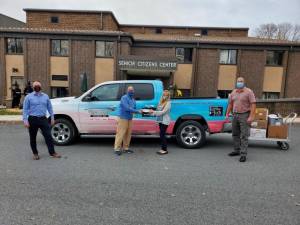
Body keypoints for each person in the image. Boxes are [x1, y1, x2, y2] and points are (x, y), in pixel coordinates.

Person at [23, 81, 61, 160]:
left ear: (41, 87)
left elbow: (50, 108)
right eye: (35, 86)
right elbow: (25, 110)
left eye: (38, 85)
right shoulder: (28, 97)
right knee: (32, 138)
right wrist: (25, 120)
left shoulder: (46, 96)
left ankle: (52, 152)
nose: (37, 87)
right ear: (33, 88)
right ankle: (35, 153)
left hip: (43, 119)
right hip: (32, 119)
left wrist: (52, 117)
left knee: (48, 136)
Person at [225, 77, 256, 162]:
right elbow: (230, 104)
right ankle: (236, 150)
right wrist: (227, 114)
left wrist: (251, 116)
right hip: (235, 115)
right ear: (236, 82)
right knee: (235, 134)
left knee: (244, 135)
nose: (239, 82)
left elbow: (253, 104)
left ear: (244, 82)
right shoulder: (233, 92)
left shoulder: (249, 92)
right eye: (238, 81)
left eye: (241, 81)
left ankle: (243, 154)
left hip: (244, 115)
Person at [114, 86, 141, 155]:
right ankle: (117, 148)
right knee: (120, 133)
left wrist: (140, 111)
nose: (131, 92)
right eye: (129, 90)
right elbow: (126, 108)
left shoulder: (133, 100)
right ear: (127, 91)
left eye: (132, 90)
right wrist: (137, 111)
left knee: (128, 134)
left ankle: (126, 148)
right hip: (123, 117)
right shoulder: (124, 98)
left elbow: (134, 108)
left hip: (130, 118)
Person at [150, 90, 171, 155]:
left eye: (166, 95)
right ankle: (163, 148)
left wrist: (153, 112)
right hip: (160, 120)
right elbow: (157, 110)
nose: (165, 96)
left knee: (162, 135)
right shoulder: (161, 102)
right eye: (164, 95)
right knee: (161, 134)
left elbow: (163, 112)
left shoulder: (168, 103)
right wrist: (151, 113)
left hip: (165, 121)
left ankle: (164, 150)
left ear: (168, 96)